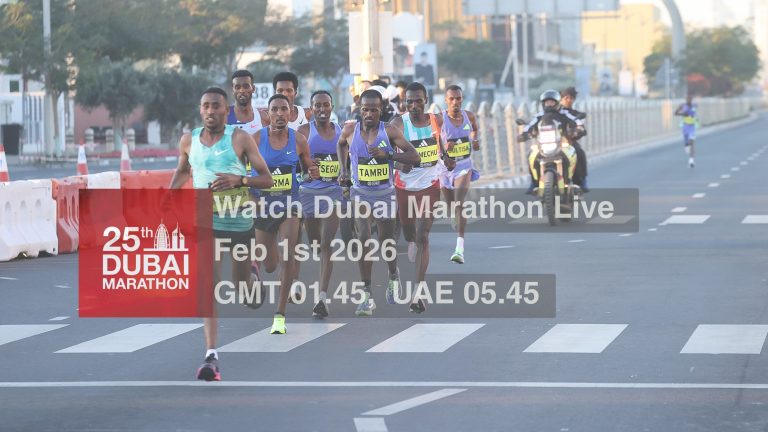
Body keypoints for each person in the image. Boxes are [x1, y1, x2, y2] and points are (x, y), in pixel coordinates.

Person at [169, 87, 272, 381]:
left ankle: (251, 277)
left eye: (216, 106)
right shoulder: (188, 141)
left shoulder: (239, 139)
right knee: (208, 285)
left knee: (245, 293)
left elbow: (266, 179)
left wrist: (240, 180)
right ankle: (211, 355)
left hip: (239, 224)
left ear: (226, 110)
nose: (210, 111)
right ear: (200, 110)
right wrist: (166, 199)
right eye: (206, 106)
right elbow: (183, 171)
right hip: (206, 223)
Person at [337, 89, 420, 316]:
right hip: (360, 193)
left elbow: (414, 156)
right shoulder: (350, 130)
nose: (369, 114)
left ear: (380, 110)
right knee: (364, 237)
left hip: (385, 194)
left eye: (374, 110)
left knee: (386, 242)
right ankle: (366, 294)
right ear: (360, 110)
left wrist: (389, 155)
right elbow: (341, 144)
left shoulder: (389, 131)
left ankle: (393, 274)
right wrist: (343, 170)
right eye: (365, 109)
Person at [251, 94, 319, 335]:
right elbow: (242, 170)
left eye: (284, 109)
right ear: (268, 114)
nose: (279, 114)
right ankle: (272, 272)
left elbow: (307, 169)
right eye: (275, 109)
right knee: (270, 265)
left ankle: (279, 315)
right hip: (264, 206)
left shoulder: (298, 140)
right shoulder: (256, 139)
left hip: (290, 204)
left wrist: (313, 172)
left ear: (291, 113)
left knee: (289, 253)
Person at [390, 82, 455, 313]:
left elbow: (441, 144)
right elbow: (386, 155)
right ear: (405, 103)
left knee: (423, 235)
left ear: (426, 100)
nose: (414, 105)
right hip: (404, 186)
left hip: (430, 184)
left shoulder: (436, 121)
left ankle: (418, 292)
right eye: (410, 102)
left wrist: (447, 157)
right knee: (410, 234)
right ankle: (410, 241)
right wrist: (399, 164)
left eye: (418, 101)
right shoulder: (398, 124)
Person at [297, 91, 343, 318]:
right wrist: (305, 170)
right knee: (316, 243)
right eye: (318, 105)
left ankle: (322, 298)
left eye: (326, 105)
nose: (322, 109)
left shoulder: (340, 132)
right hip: (308, 193)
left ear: (332, 106)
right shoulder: (304, 132)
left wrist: (345, 175)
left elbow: (348, 159)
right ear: (311, 108)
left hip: (333, 192)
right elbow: (293, 162)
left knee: (326, 243)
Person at [440, 84, 481, 264]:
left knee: (458, 202)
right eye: (452, 99)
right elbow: (433, 140)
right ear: (446, 100)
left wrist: (475, 140)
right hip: (444, 168)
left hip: (464, 165)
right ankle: (455, 216)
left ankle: (459, 249)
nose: (455, 102)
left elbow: (474, 129)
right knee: (451, 205)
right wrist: (444, 147)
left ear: (462, 99)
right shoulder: (440, 119)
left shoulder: (469, 116)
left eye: (458, 98)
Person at [521, 89, 580, 195]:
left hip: (562, 143)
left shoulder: (564, 113)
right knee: (531, 156)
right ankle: (534, 183)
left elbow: (576, 121)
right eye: (547, 102)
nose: (549, 104)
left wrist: (578, 128)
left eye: (551, 102)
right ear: (543, 104)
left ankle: (577, 182)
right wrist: (524, 134)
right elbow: (529, 126)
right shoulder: (539, 116)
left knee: (577, 153)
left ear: (557, 103)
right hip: (543, 144)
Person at [559, 87, 589, 192]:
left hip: (568, 143)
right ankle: (534, 182)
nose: (569, 100)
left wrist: (577, 132)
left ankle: (581, 181)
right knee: (534, 154)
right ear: (560, 98)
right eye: (566, 98)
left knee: (579, 152)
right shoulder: (552, 112)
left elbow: (581, 127)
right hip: (551, 142)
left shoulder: (575, 114)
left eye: (571, 98)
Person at [228, 69, 269, 135]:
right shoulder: (224, 116)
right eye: (237, 87)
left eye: (246, 86)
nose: (242, 90)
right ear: (233, 90)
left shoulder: (263, 117)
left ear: (253, 88)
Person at [675, 94, 698, 168]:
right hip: (685, 127)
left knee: (692, 142)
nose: (689, 100)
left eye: (690, 99)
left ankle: (691, 160)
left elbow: (695, 112)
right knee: (687, 143)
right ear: (686, 99)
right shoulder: (682, 106)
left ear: (692, 99)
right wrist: (682, 113)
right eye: (688, 99)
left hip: (692, 127)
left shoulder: (694, 105)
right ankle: (686, 145)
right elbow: (675, 113)